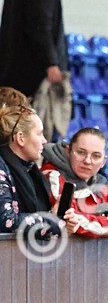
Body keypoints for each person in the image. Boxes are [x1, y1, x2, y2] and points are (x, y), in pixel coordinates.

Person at [0, 0, 71, 140]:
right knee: (32, 130)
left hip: (12, 67)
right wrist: (51, 62)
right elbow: (40, 25)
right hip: (33, 72)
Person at [41, 127, 108, 238]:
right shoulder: (52, 176)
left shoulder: (99, 184)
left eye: (96, 156)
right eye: (81, 152)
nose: (87, 161)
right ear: (68, 151)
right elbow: (70, 219)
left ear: (104, 162)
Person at [0, 91, 60, 241]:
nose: (45, 140)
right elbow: (7, 221)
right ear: (20, 138)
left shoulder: (32, 170)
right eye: (39, 134)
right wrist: (51, 221)